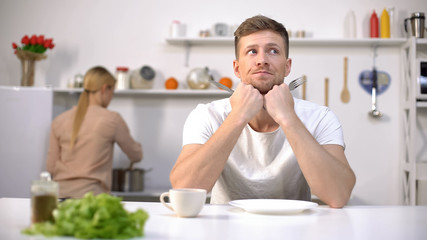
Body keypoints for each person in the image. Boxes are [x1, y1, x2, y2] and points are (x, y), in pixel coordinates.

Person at [170, 15, 356, 208]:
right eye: (251, 52)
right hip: (225, 230)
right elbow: (185, 187)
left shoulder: (321, 117)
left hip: (296, 230)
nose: (262, 60)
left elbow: (338, 195)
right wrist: (238, 117)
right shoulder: (206, 115)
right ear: (237, 68)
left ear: (287, 66)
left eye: (273, 51)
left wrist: (288, 118)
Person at [46, 66, 142, 199]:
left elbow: (50, 167)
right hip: (92, 199)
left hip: (59, 196)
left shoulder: (59, 120)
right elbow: (136, 156)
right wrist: (138, 147)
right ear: (104, 89)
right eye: (112, 93)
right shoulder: (112, 119)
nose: (111, 98)